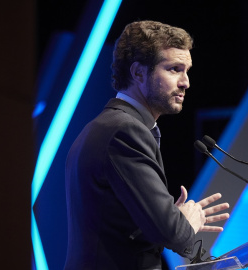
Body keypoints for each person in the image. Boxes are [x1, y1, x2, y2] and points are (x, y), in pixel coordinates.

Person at [64, 20, 230, 270]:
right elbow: (174, 233)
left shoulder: (107, 127)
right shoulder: (125, 131)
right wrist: (182, 223)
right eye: (174, 69)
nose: (186, 82)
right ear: (138, 73)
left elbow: (123, 227)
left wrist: (164, 218)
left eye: (187, 70)